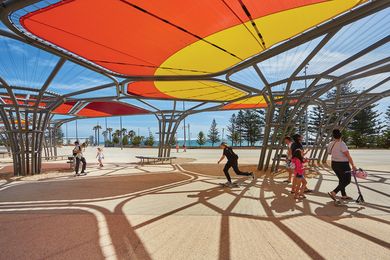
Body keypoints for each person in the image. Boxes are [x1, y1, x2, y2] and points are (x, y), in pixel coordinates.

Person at [327, 129, 357, 201]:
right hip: (343, 165)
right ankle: (334, 192)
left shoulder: (330, 143)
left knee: (341, 180)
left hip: (334, 164)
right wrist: (353, 165)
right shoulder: (342, 144)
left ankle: (344, 195)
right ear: (341, 135)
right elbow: (348, 155)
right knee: (347, 181)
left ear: (333, 136)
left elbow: (329, 153)